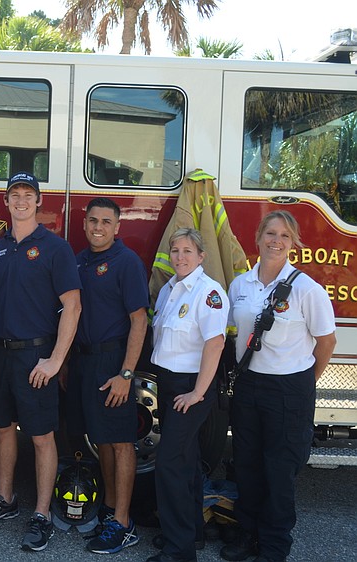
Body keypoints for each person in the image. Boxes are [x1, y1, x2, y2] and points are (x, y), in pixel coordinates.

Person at [0, 171, 82, 552]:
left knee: (41, 437)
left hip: (37, 356)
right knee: (2, 430)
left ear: (39, 202)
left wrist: (55, 360)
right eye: (14, 194)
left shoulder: (55, 247)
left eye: (28, 194)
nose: (20, 200)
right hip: (0, 354)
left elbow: (73, 305)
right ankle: (6, 500)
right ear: (6, 201)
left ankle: (41, 514)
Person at [222, 211, 336, 562]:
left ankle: (273, 546)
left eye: (285, 236)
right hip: (248, 386)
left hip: (290, 390)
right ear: (257, 238)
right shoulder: (239, 286)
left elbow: (326, 342)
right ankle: (247, 533)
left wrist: (304, 384)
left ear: (294, 243)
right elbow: (232, 336)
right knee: (247, 464)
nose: (276, 240)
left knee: (279, 470)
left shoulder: (306, 289)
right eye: (270, 233)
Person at [66, 197, 148, 555]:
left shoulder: (126, 262)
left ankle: (125, 522)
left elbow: (139, 321)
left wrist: (126, 374)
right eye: (92, 221)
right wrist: (67, 363)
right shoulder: (79, 261)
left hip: (113, 361)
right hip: (83, 362)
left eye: (105, 222)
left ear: (117, 227)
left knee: (120, 441)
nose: (97, 227)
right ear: (85, 223)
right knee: (100, 440)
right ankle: (111, 513)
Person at [148, 228, 229, 562]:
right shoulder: (170, 288)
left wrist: (198, 392)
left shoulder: (209, 292)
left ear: (201, 256)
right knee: (188, 463)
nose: (180, 256)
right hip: (170, 386)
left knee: (170, 466)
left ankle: (178, 550)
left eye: (187, 251)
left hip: (190, 388)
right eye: (175, 250)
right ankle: (191, 533)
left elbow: (216, 343)